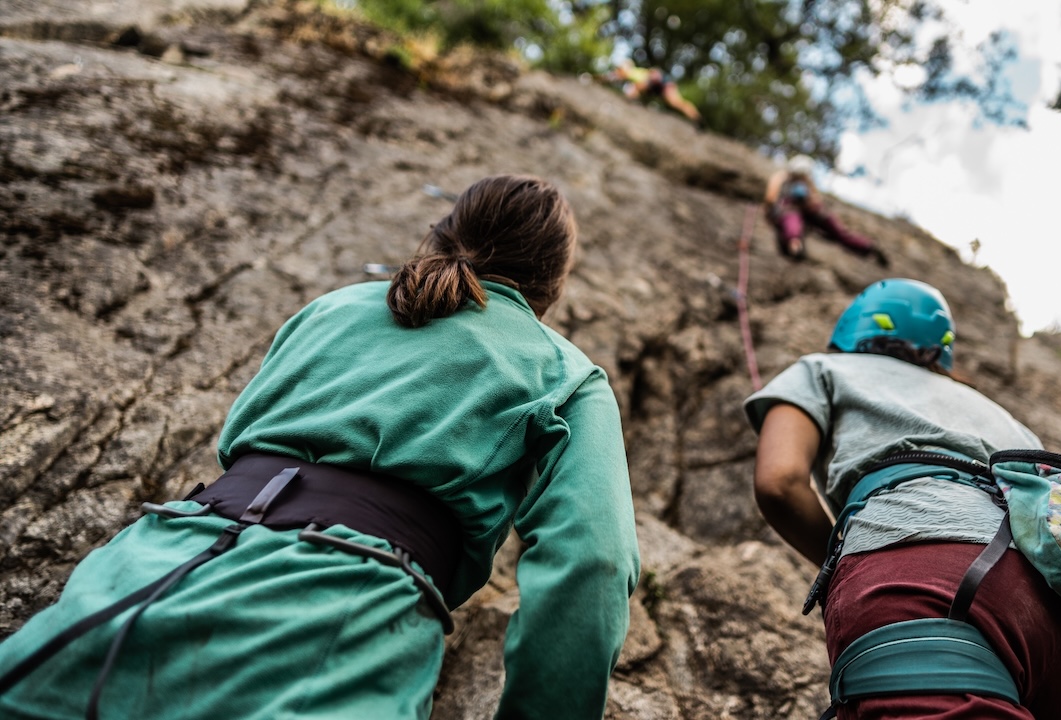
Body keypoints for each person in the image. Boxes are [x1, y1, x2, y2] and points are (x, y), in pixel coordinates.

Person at [0, 175, 641, 719]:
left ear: (446, 232)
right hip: (338, 612)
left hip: (146, 572)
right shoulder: (563, 371)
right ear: (548, 286)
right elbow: (594, 561)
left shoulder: (333, 309)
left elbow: (238, 446)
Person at [743, 278, 1061, 719]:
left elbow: (781, 481)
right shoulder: (992, 409)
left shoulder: (823, 368)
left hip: (935, 586)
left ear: (852, 332)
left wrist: (838, 570)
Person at [763, 155, 889, 266]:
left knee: (836, 230)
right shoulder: (782, 178)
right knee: (792, 221)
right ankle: (795, 247)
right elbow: (771, 198)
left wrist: (808, 202)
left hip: (807, 211)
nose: (800, 178)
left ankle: (868, 247)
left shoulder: (806, 182)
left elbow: (816, 200)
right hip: (790, 209)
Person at [602, 59, 702, 124]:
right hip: (657, 86)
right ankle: (696, 118)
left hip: (663, 84)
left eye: (620, 69)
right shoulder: (631, 74)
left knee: (676, 102)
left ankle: (697, 118)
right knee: (675, 103)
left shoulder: (632, 73)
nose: (618, 72)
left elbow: (646, 80)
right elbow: (612, 77)